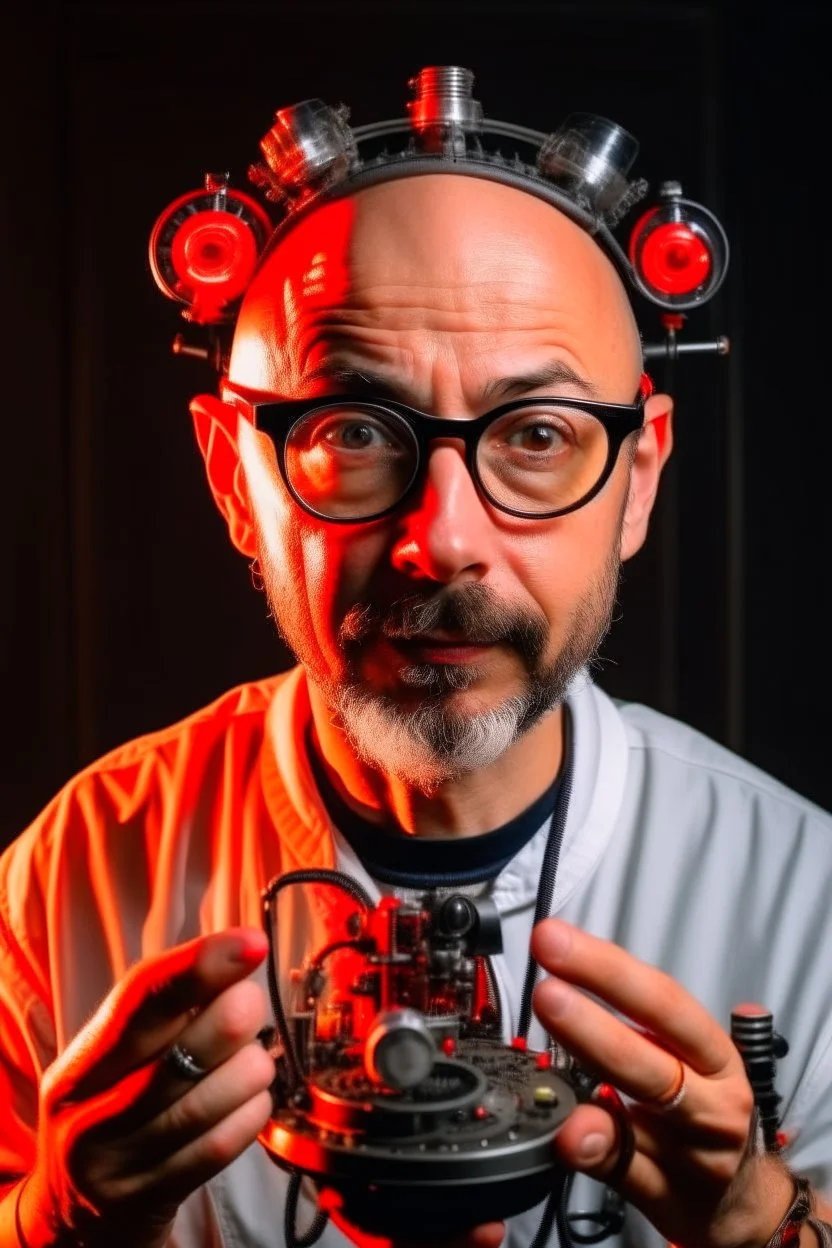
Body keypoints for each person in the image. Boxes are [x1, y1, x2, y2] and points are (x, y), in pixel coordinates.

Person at [2, 70, 832, 1248]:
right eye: (351, 431)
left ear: (638, 477)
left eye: (537, 435)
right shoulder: (66, 883)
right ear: (235, 480)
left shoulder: (805, 903)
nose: (442, 538)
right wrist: (53, 1221)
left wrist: (764, 1227)